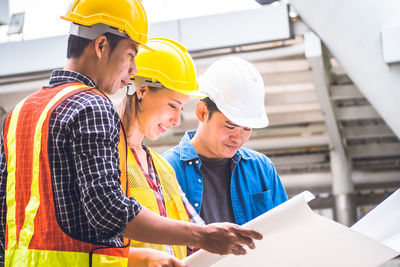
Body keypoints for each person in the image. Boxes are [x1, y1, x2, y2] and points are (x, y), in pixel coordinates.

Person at [0, 2, 262, 266]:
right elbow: (107, 210)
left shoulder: (19, 112)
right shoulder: (91, 104)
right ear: (101, 45)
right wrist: (201, 235)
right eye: (130, 54)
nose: (134, 70)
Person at [163, 56, 288, 226]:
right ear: (202, 112)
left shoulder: (261, 168)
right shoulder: (166, 171)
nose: (238, 138)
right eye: (230, 126)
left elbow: (285, 231)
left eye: (247, 128)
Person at [118, 37, 206, 260]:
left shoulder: (163, 168)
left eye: (182, 108)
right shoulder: (103, 157)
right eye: (172, 106)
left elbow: (200, 239)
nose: (177, 120)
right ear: (142, 91)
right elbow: (91, 248)